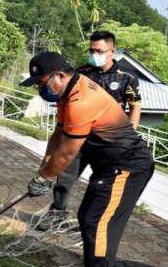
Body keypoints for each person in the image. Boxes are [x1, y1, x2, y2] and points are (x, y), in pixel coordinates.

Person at [21, 52, 154, 267]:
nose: (39, 87)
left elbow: (68, 154)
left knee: (96, 222)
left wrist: (44, 178)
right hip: (109, 166)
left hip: (127, 167)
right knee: (91, 220)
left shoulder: (82, 100)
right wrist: (43, 167)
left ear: (60, 75)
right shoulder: (69, 92)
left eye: (42, 81)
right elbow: (58, 135)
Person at [38, 31, 142, 230]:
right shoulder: (81, 72)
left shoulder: (126, 78)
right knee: (65, 176)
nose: (95, 54)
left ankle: (93, 223)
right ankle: (57, 213)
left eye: (99, 50)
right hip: (79, 137)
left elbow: (134, 106)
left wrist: (130, 134)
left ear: (112, 51)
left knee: (101, 183)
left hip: (107, 141)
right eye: (92, 50)